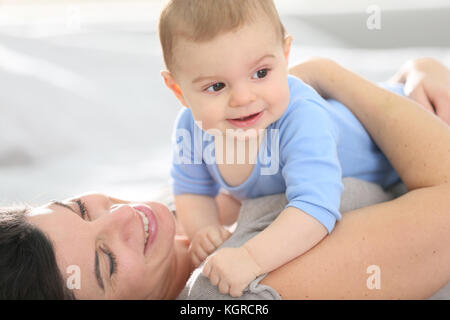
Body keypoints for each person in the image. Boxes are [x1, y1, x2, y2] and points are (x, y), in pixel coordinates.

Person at [0, 56, 449, 299]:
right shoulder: (233, 292)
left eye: (79, 209)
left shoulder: (183, 213)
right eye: (106, 262)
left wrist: (415, 76)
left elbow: (348, 138)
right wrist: (320, 76)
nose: (121, 217)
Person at [158, 0, 418, 297]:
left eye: (261, 73)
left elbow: (316, 209)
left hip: (410, 123)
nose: (243, 97)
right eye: (216, 86)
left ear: (285, 55)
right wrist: (203, 229)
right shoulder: (190, 127)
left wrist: (251, 258)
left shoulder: (301, 116)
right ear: (178, 90)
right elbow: (191, 189)